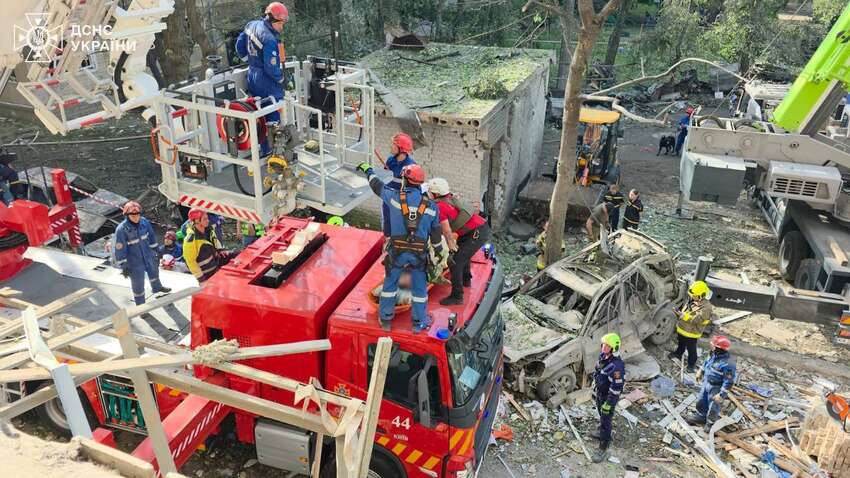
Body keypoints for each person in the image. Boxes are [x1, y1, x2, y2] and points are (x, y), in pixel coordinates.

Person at [357, 161, 443, 332]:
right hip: (418, 255)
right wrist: (439, 253)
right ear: (420, 183)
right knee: (419, 289)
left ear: (405, 180)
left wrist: (368, 170)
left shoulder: (394, 197)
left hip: (396, 253)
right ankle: (419, 324)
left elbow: (376, 185)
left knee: (390, 285)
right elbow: (435, 235)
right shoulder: (432, 207)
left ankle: (386, 319)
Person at [425, 177, 489, 305]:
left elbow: (447, 231)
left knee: (455, 262)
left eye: (430, 192)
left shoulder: (440, 207)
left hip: (475, 234)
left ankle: (457, 296)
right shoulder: (451, 197)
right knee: (463, 256)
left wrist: (450, 247)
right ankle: (466, 280)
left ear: (436, 194)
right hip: (477, 230)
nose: (428, 194)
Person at [235, 2, 289, 125]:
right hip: (266, 81)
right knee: (273, 113)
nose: (281, 27)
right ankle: (273, 142)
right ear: (271, 19)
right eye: (279, 23)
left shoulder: (251, 25)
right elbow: (270, 68)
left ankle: (263, 141)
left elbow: (239, 46)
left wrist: (249, 61)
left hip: (252, 75)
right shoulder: (270, 39)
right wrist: (282, 79)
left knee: (259, 114)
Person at [112, 201, 171, 305]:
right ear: (127, 215)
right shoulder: (121, 229)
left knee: (154, 272)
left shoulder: (144, 222)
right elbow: (120, 248)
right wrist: (124, 265)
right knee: (138, 283)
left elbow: (151, 236)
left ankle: (157, 288)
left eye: (137, 214)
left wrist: (157, 249)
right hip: (134, 261)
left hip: (148, 255)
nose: (135, 217)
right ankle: (140, 305)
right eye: (132, 215)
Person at [688, 335, 736, 431]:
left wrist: (721, 395)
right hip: (706, 382)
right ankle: (701, 416)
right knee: (702, 400)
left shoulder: (728, 364)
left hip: (716, 387)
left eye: (713, 345)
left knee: (713, 406)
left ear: (719, 348)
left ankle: (710, 423)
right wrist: (700, 371)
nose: (711, 346)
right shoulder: (713, 354)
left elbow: (729, 381)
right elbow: (706, 362)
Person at [591, 333, 626, 463]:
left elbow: (617, 387)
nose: (604, 347)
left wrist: (609, 403)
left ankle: (603, 447)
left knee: (606, 420)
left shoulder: (617, 367)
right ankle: (601, 431)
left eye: (607, 346)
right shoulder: (603, 357)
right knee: (601, 414)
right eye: (603, 344)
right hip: (600, 393)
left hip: (608, 397)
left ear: (614, 348)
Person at [375, 132, 416, 237]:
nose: (391, 146)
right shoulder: (390, 160)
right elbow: (386, 177)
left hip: (402, 202)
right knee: (387, 223)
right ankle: (387, 239)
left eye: (394, 144)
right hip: (388, 199)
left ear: (401, 149)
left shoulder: (411, 166)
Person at [668, 280, 714, 373]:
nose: (692, 296)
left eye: (695, 295)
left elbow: (698, 320)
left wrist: (683, 316)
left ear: (702, 295)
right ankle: (678, 354)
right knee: (681, 343)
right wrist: (680, 312)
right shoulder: (693, 299)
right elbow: (688, 310)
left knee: (691, 349)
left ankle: (691, 365)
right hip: (683, 328)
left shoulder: (706, 308)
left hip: (692, 333)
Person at [183, 208, 226, 283]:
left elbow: (214, 239)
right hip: (206, 274)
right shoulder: (190, 240)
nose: (208, 221)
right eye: (205, 219)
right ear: (196, 221)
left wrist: (219, 250)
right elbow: (191, 262)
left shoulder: (208, 229)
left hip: (215, 266)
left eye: (207, 218)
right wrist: (201, 280)